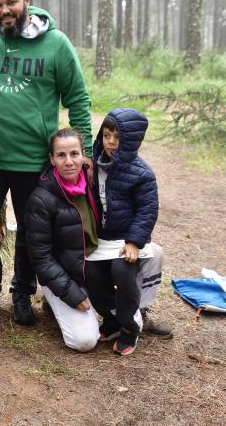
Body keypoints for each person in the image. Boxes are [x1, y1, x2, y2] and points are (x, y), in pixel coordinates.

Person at [0, 0, 92, 326]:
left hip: (35, 160)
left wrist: (86, 152)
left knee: (32, 233)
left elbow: (77, 99)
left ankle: (22, 290)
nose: (5, 11)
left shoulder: (56, 45)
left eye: (11, 3)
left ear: (27, 0)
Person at [85, 107, 162, 356]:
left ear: (131, 140)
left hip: (127, 240)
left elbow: (147, 211)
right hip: (103, 238)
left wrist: (134, 242)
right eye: (106, 136)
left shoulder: (142, 174)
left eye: (117, 137)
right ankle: (111, 318)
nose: (111, 143)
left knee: (121, 271)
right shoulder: (96, 166)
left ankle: (130, 327)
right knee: (93, 275)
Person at [25, 128, 100, 352]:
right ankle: (56, 299)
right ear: (52, 159)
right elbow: (41, 258)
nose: (69, 161)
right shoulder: (41, 199)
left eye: (74, 154)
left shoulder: (96, 184)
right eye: (61, 155)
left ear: (83, 155)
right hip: (65, 276)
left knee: (153, 253)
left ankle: (137, 308)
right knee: (84, 341)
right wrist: (71, 294)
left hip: (96, 268)